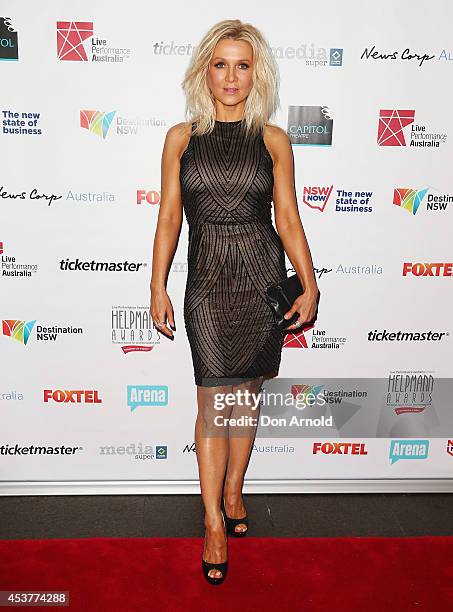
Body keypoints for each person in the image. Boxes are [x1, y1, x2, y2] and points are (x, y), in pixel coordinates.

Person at [150, 18, 319, 584]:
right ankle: (213, 522)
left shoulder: (274, 139)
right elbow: (170, 216)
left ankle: (234, 489)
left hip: (259, 277)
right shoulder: (181, 136)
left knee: (244, 393)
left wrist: (309, 281)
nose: (230, 76)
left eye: (242, 65)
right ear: (205, 70)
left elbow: (288, 218)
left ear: (256, 73)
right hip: (207, 284)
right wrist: (157, 285)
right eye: (220, 64)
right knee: (211, 401)